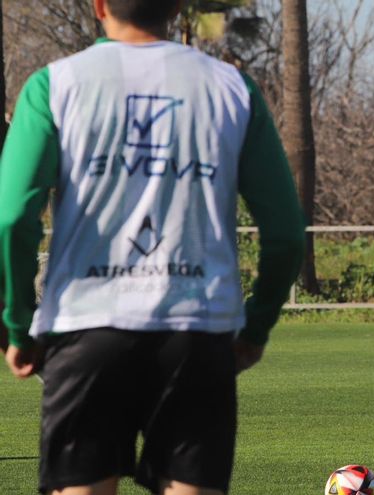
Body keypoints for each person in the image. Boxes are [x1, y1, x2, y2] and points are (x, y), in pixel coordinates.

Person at [0, 1, 305, 493]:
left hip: (86, 328)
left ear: (99, 6)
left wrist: (18, 323)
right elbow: (287, 232)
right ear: (177, 6)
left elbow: (12, 219)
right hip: (198, 331)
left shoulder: (54, 85)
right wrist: (257, 324)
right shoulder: (232, 88)